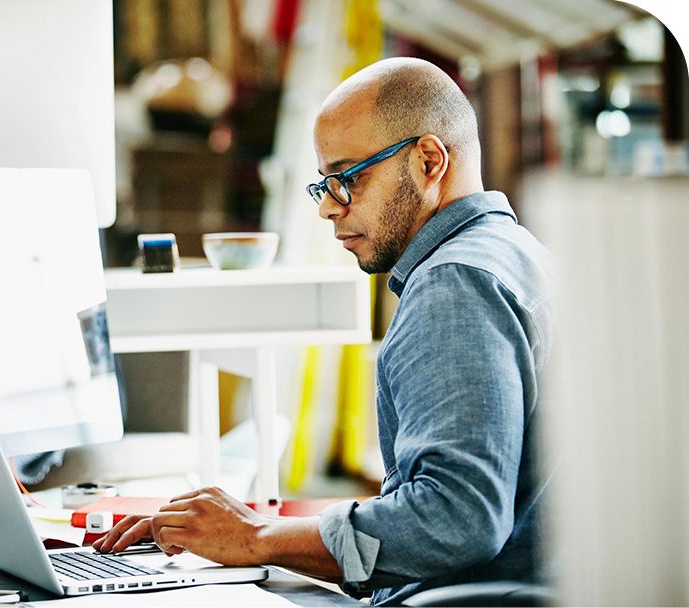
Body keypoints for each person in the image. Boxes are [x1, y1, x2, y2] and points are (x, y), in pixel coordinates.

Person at [94, 57, 554, 605]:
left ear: (429, 160)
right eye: (324, 185)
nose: (329, 209)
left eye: (348, 178)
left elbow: (456, 518)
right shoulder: (516, 254)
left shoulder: (453, 285)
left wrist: (254, 537)